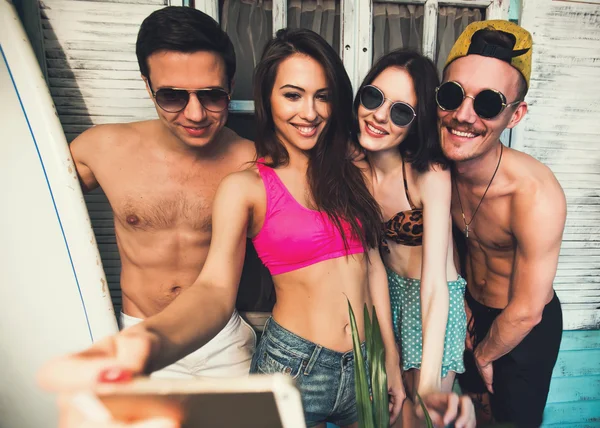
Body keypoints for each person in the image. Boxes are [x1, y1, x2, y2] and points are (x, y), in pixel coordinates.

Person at [41, 28, 405, 428]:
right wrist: (145, 345)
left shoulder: (350, 172)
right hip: (297, 366)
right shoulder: (246, 185)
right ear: (267, 97)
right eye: (292, 95)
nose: (310, 112)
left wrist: (389, 356)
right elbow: (214, 289)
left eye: (323, 95)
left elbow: (372, 268)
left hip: (363, 362)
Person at [68, 6, 257, 379]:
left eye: (212, 96)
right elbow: (29, 204)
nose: (195, 114)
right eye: (171, 96)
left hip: (223, 342)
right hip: (139, 334)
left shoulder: (251, 161)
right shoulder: (101, 149)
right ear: (146, 85)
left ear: (231, 88)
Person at [438, 20, 566, 427]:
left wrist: (483, 354)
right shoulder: (438, 169)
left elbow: (527, 310)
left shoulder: (534, 193)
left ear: (515, 115)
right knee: (474, 419)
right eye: (452, 95)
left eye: (489, 103)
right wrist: (460, 307)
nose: (463, 115)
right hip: (472, 311)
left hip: (523, 327)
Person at [352, 49, 467, 427]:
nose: (380, 116)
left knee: (419, 417)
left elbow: (435, 281)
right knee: (389, 414)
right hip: (387, 299)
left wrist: (431, 383)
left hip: (433, 302)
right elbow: (373, 266)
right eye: (373, 97)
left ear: (415, 124)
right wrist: (388, 351)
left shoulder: (428, 173)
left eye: (401, 111)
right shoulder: (354, 171)